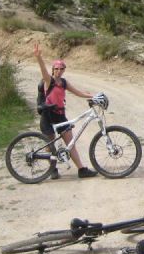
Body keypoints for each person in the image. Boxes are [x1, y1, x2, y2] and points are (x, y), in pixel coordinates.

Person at [34, 42, 98, 179]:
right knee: (50, 145)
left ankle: (81, 169)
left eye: (62, 68)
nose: (59, 70)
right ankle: (53, 169)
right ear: (53, 69)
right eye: (57, 68)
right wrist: (39, 58)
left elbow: (78, 92)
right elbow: (43, 71)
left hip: (60, 115)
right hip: (47, 116)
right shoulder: (48, 81)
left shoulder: (63, 82)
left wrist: (93, 96)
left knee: (71, 143)